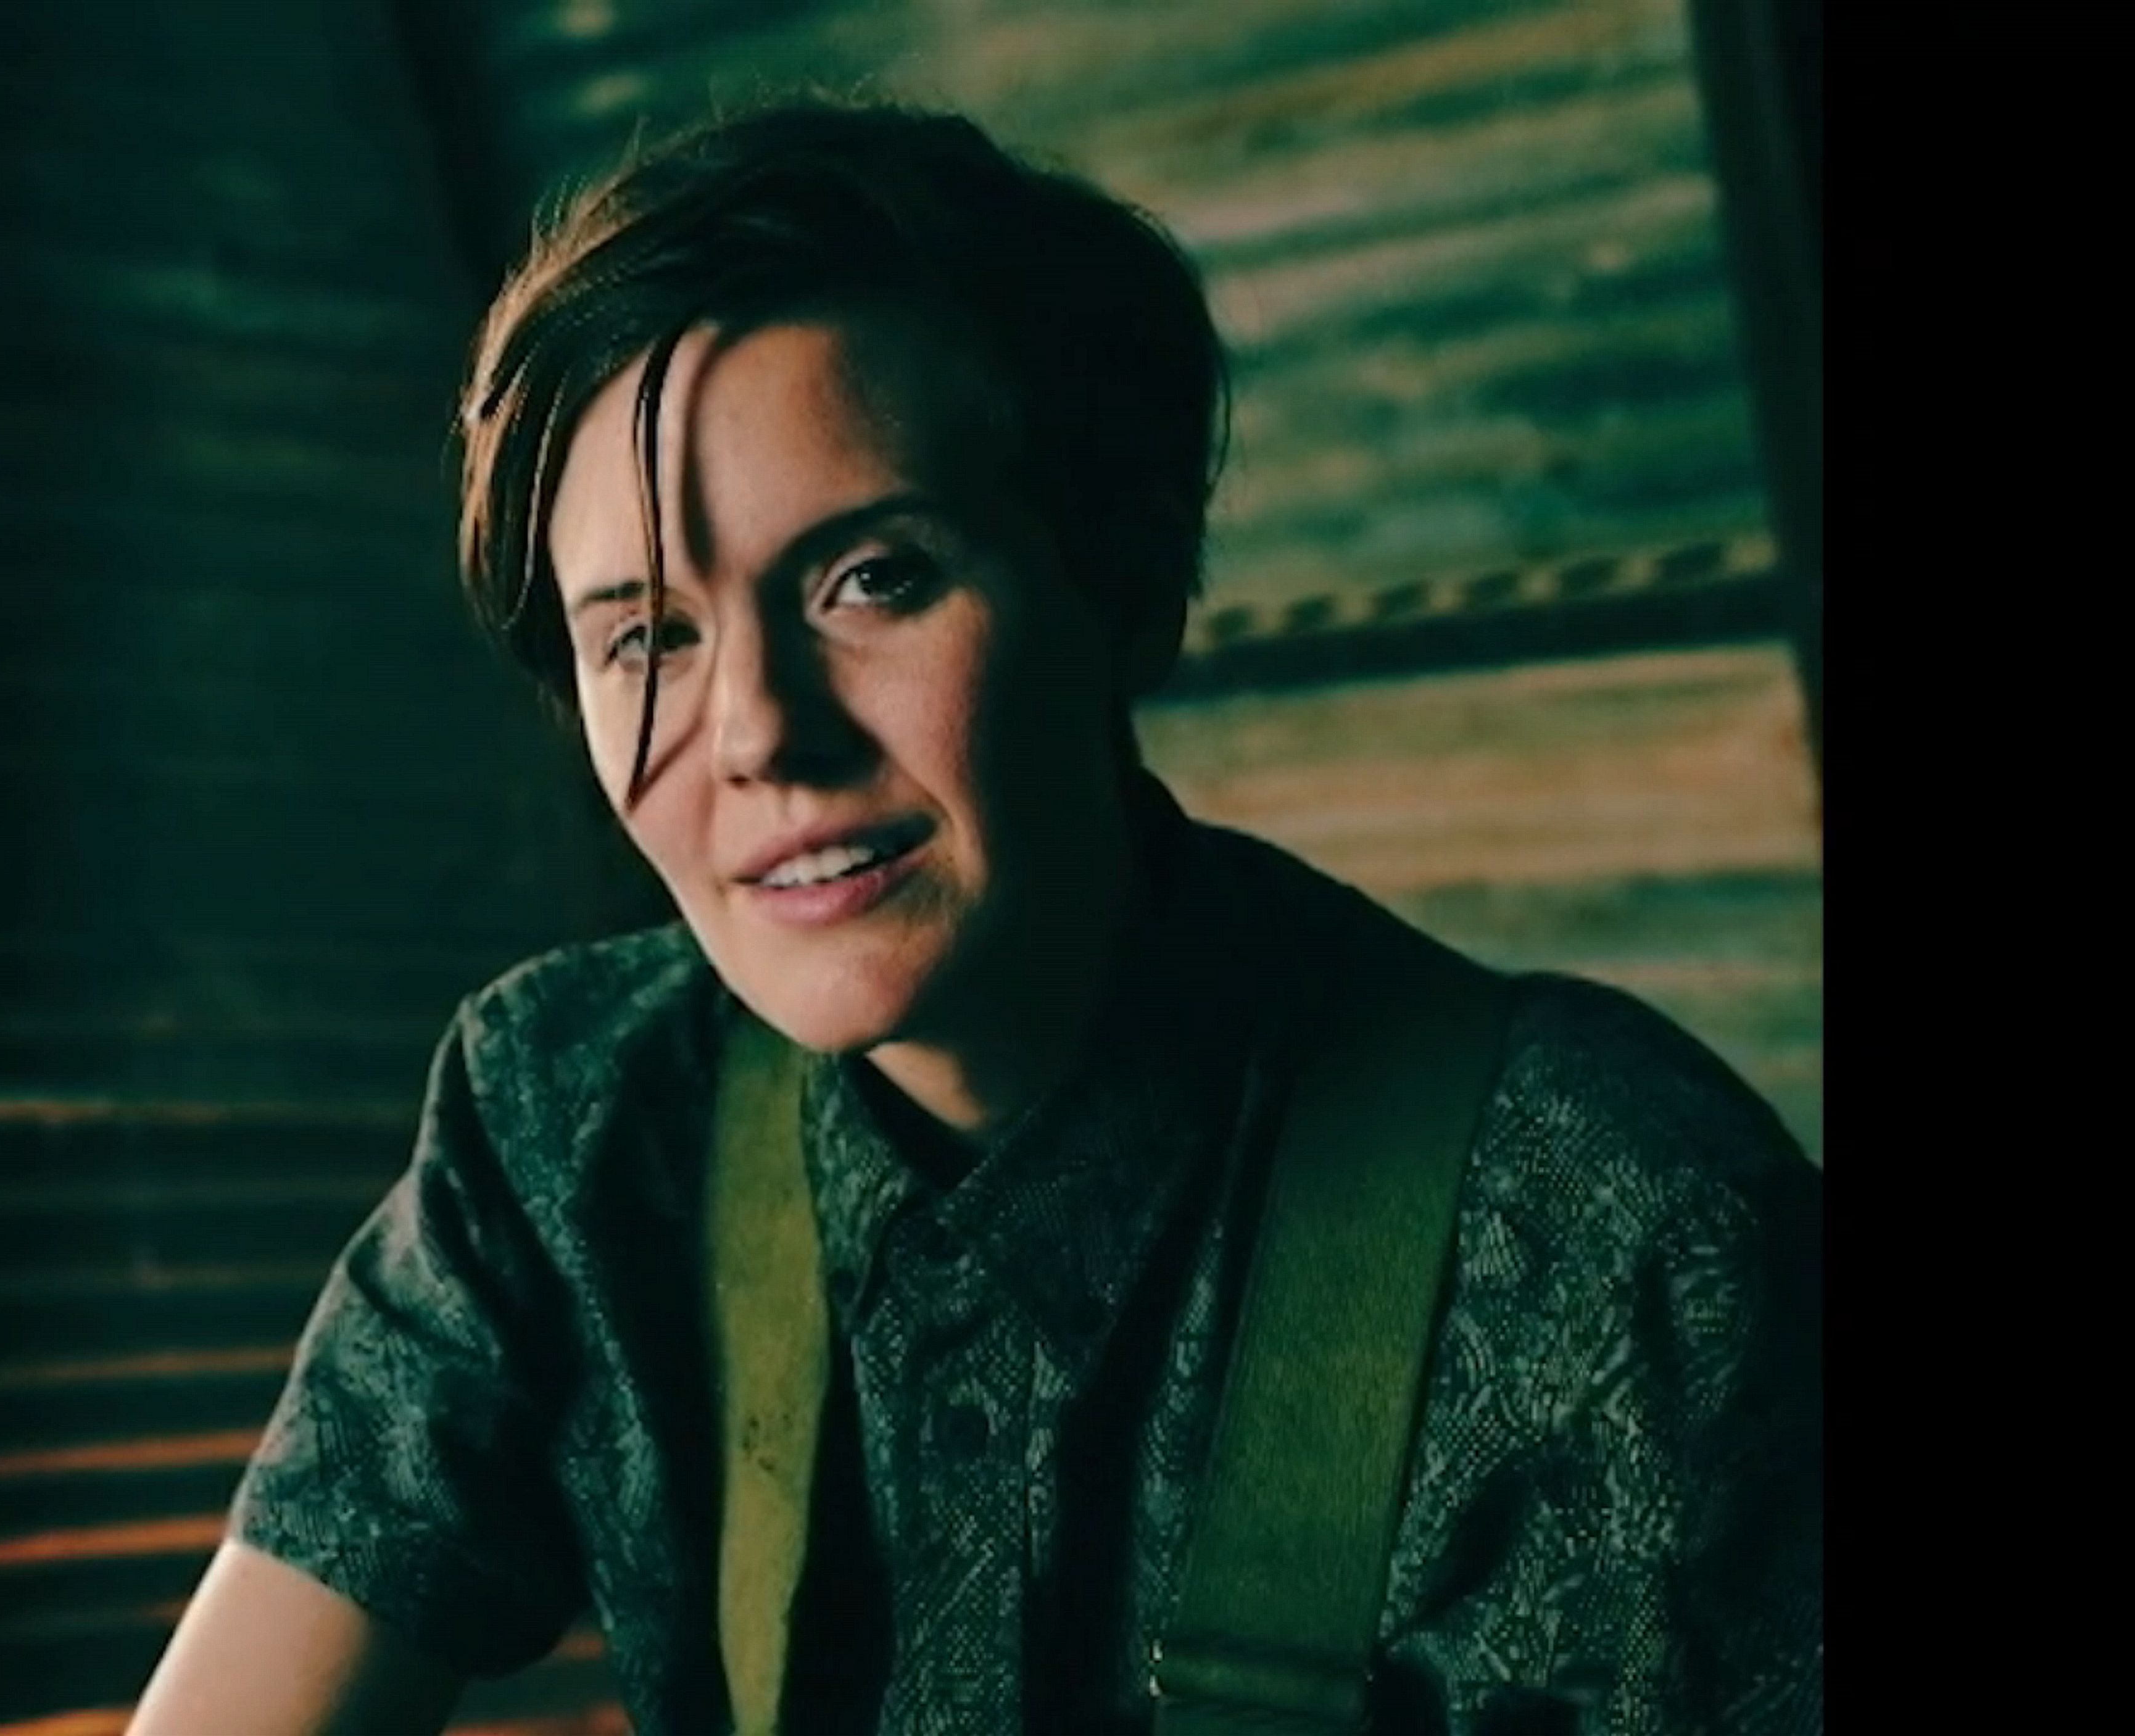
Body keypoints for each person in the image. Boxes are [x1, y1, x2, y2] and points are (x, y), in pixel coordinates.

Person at [131, 100, 1822, 1736]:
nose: (758, 733)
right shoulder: (572, 1127)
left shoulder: (1628, 1244)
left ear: (1126, 584)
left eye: (874, 578)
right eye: (647, 638)